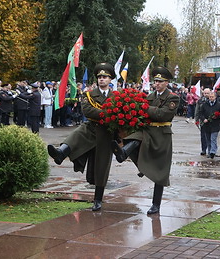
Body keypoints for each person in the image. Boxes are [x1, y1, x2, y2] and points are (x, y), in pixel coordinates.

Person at [48, 62, 116, 211]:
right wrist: (108, 114)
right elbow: (87, 111)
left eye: (105, 77)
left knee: (101, 168)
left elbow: (117, 115)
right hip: (91, 129)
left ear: (111, 79)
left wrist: (106, 115)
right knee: (78, 133)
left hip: (106, 134)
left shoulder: (117, 97)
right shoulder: (89, 95)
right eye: (99, 77)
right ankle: (61, 152)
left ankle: (98, 200)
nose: (102, 79)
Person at [111, 66, 180, 215]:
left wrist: (145, 108)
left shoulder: (172, 97)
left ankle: (156, 205)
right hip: (148, 131)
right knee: (134, 138)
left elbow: (163, 115)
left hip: (162, 135)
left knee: (160, 172)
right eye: (155, 81)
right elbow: (144, 111)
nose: (157, 84)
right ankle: (123, 153)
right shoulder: (150, 97)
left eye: (160, 81)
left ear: (167, 82)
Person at [200, 91, 220, 158]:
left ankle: (213, 152)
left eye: (212, 97)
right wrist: (203, 119)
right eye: (210, 97)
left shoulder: (219, 104)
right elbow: (201, 113)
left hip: (215, 124)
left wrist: (217, 116)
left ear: (215, 97)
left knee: (213, 138)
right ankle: (209, 151)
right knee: (208, 139)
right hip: (207, 124)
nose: (211, 98)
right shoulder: (205, 104)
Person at [195, 88, 211, 155]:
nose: (206, 94)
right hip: (203, 121)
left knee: (211, 137)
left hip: (212, 121)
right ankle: (204, 149)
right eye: (205, 93)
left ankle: (211, 150)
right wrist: (196, 120)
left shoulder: (213, 100)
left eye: (208, 93)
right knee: (203, 136)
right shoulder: (200, 101)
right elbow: (197, 111)